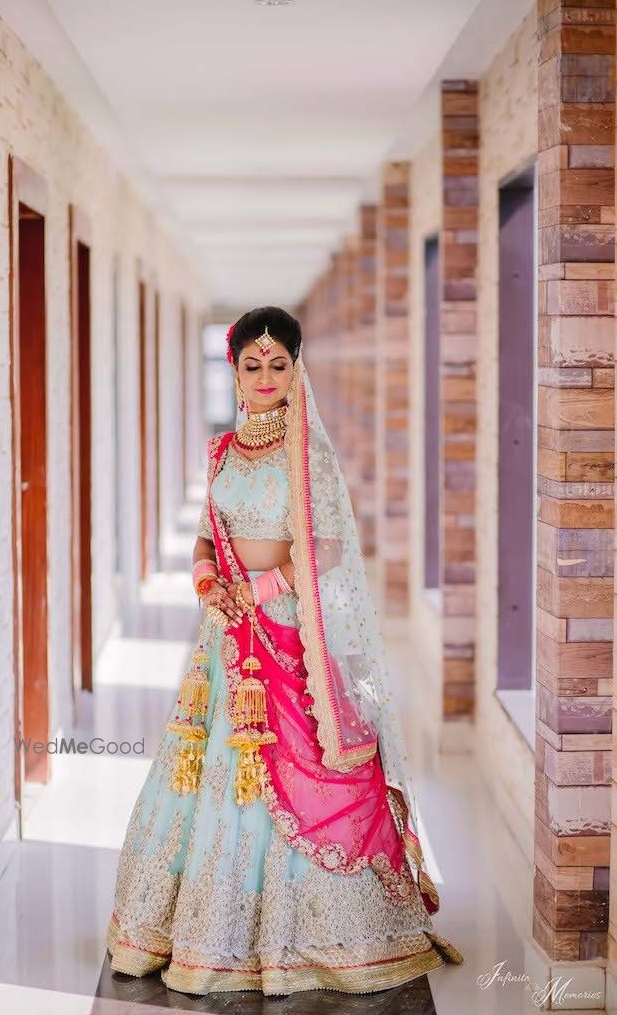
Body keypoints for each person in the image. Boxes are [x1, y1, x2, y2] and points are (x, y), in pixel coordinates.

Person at [106, 305, 464, 995]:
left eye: (277, 364)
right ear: (234, 369)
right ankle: (211, 935)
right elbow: (208, 537)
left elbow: (326, 548)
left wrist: (263, 586)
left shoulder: (308, 455)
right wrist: (208, 580)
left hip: (287, 632)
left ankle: (307, 940)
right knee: (211, 769)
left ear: (294, 368)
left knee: (300, 759)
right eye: (251, 364)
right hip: (226, 637)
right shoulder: (219, 453)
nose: (264, 376)